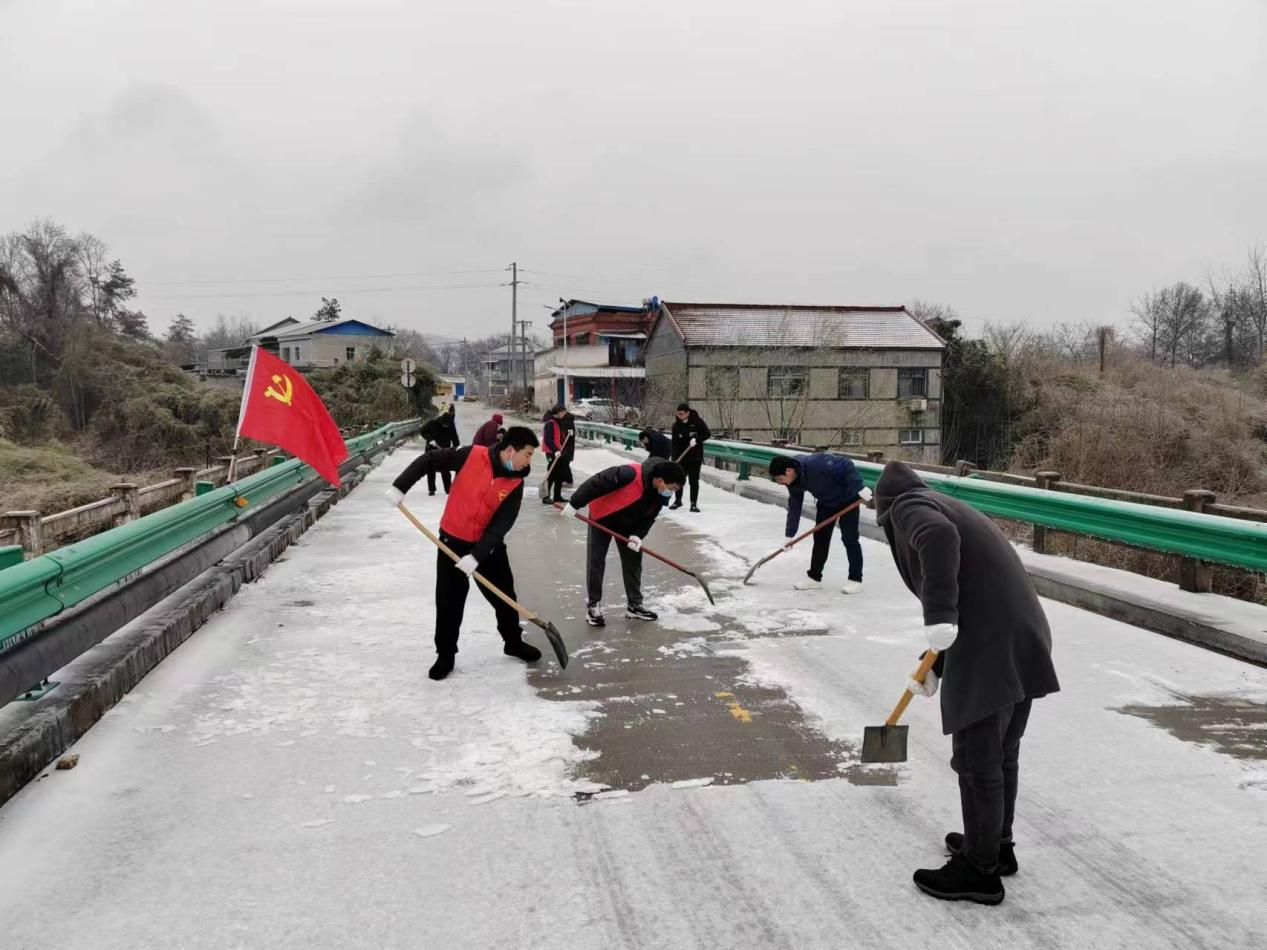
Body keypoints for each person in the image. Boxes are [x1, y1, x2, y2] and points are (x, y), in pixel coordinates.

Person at [873, 461, 1060, 906]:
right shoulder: (946, 501)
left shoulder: (907, 508)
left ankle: (978, 871)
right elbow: (971, 583)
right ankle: (995, 847)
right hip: (1021, 633)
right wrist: (934, 660)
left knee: (977, 761)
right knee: (1001, 753)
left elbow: (937, 541)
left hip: (990, 645)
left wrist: (937, 618)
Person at [386, 426, 543, 681]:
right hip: (452, 541)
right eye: (527, 454)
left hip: (487, 547)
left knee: (504, 596)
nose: (529, 460)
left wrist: (477, 556)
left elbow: (501, 526)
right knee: (449, 601)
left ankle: (512, 641)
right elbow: (429, 460)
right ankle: (445, 655)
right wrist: (399, 487)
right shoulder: (472, 455)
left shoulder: (516, 482)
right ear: (510, 449)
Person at [558, 457, 685, 627]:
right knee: (596, 561)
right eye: (673, 488)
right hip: (601, 518)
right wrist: (575, 503)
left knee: (633, 560)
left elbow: (650, 517)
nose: (673, 492)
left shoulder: (659, 494)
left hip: (629, 525)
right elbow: (597, 482)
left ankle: (635, 605)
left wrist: (638, 535)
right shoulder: (630, 474)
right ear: (660, 480)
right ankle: (593, 606)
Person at [767, 454, 870, 593]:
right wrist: (789, 536)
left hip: (848, 499)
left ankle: (855, 580)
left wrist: (859, 487)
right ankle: (814, 578)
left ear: (788, 471)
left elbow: (846, 464)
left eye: (780, 479)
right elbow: (794, 508)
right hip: (826, 503)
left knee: (850, 539)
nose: (781, 483)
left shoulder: (815, 464)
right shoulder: (793, 482)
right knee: (820, 539)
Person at [669, 403, 710, 512]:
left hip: (695, 457)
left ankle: (693, 504)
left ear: (687, 413)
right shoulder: (676, 425)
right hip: (681, 458)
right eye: (678, 414)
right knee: (679, 479)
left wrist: (697, 439)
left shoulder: (697, 421)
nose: (679, 416)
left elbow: (707, 434)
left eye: (681, 414)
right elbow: (674, 443)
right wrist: (674, 459)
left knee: (693, 480)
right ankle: (678, 501)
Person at [418, 405, 461, 495]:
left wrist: (457, 449)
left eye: (447, 425)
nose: (446, 426)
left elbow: (455, 438)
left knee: (445, 469)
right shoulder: (432, 423)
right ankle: (431, 489)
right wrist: (430, 440)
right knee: (431, 469)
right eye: (444, 425)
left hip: (445, 450)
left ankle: (448, 489)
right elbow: (422, 431)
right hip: (431, 449)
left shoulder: (451, 425)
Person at [542, 404, 576, 503]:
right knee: (551, 474)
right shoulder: (550, 423)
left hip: (560, 451)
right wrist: (555, 450)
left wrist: (570, 432)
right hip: (551, 452)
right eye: (564, 412)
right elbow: (548, 439)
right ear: (559, 412)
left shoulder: (559, 422)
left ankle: (557, 496)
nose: (564, 414)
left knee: (560, 474)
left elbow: (560, 436)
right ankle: (545, 497)